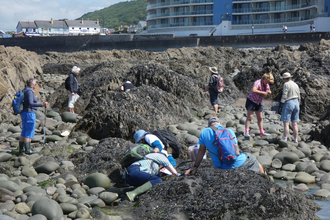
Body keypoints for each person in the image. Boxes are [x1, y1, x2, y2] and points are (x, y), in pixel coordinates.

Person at [185, 117, 264, 175]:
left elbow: (201, 151)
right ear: (220, 123)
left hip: (221, 167)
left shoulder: (204, 132)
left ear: (209, 125)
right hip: (239, 163)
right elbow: (237, 151)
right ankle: (265, 179)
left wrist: (195, 166)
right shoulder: (229, 131)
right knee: (254, 160)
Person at [19, 78, 48, 154]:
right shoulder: (29, 91)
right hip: (29, 113)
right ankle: (28, 150)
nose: (36, 86)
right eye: (35, 84)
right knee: (29, 131)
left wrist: (35, 98)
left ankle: (21, 149)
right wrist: (42, 104)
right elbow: (30, 103)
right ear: (31, 85)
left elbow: (28, 101)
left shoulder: (25, 90)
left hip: (24, 113)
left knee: (24, 130)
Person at [244, 73, 274, 138]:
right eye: (267, 81)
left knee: (260, 118)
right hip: (251, 100)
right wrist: (263, 92)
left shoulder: (266, 84)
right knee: (250, 117)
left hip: (259, 102)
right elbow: (254, 90)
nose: (268, 83)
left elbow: (269, 90)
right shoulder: (257, 82)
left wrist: (269, 92)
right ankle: (247, 132)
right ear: (265, 79)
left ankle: (261, 132)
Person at [279, 72, 300, 143]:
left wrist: (281, 103)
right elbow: (299, 94)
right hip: (296, 102)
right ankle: (295, 139)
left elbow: (285, 94)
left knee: (286, 123)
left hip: (289, 102)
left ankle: (285, 139)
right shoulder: (295, 84)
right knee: (294, 123)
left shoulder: (286, 84)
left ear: (285, 79)